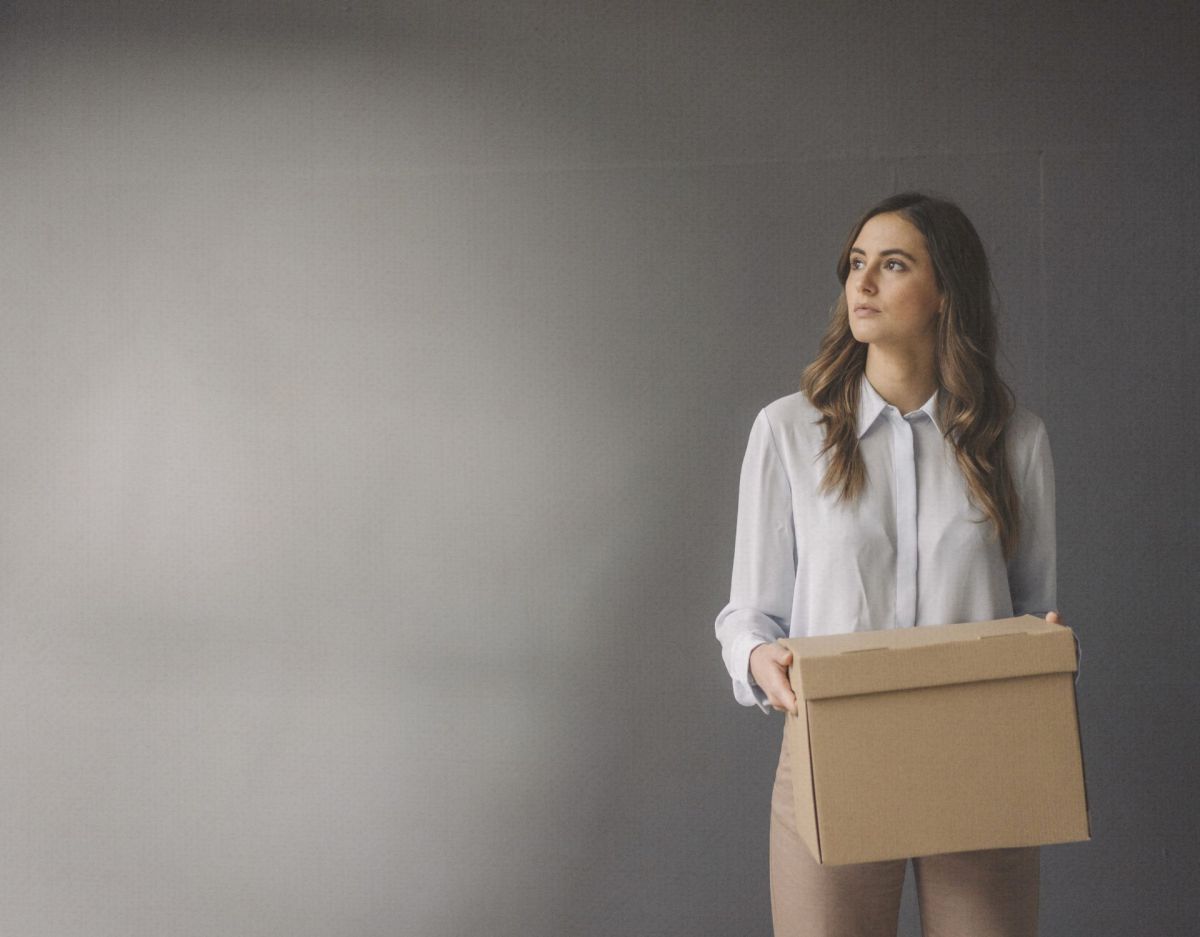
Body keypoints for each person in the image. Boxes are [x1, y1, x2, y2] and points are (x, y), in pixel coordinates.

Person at [714, 192, 1061, 937]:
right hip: (835, 750)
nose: (863, 283)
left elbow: (1035, 609)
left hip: (980, 757)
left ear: (944, 294)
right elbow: (747, 612)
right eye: (856, 264)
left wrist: (1042, 645)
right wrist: (758, 659)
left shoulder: (1014, 439)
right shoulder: (787, 431)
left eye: (893, 264)